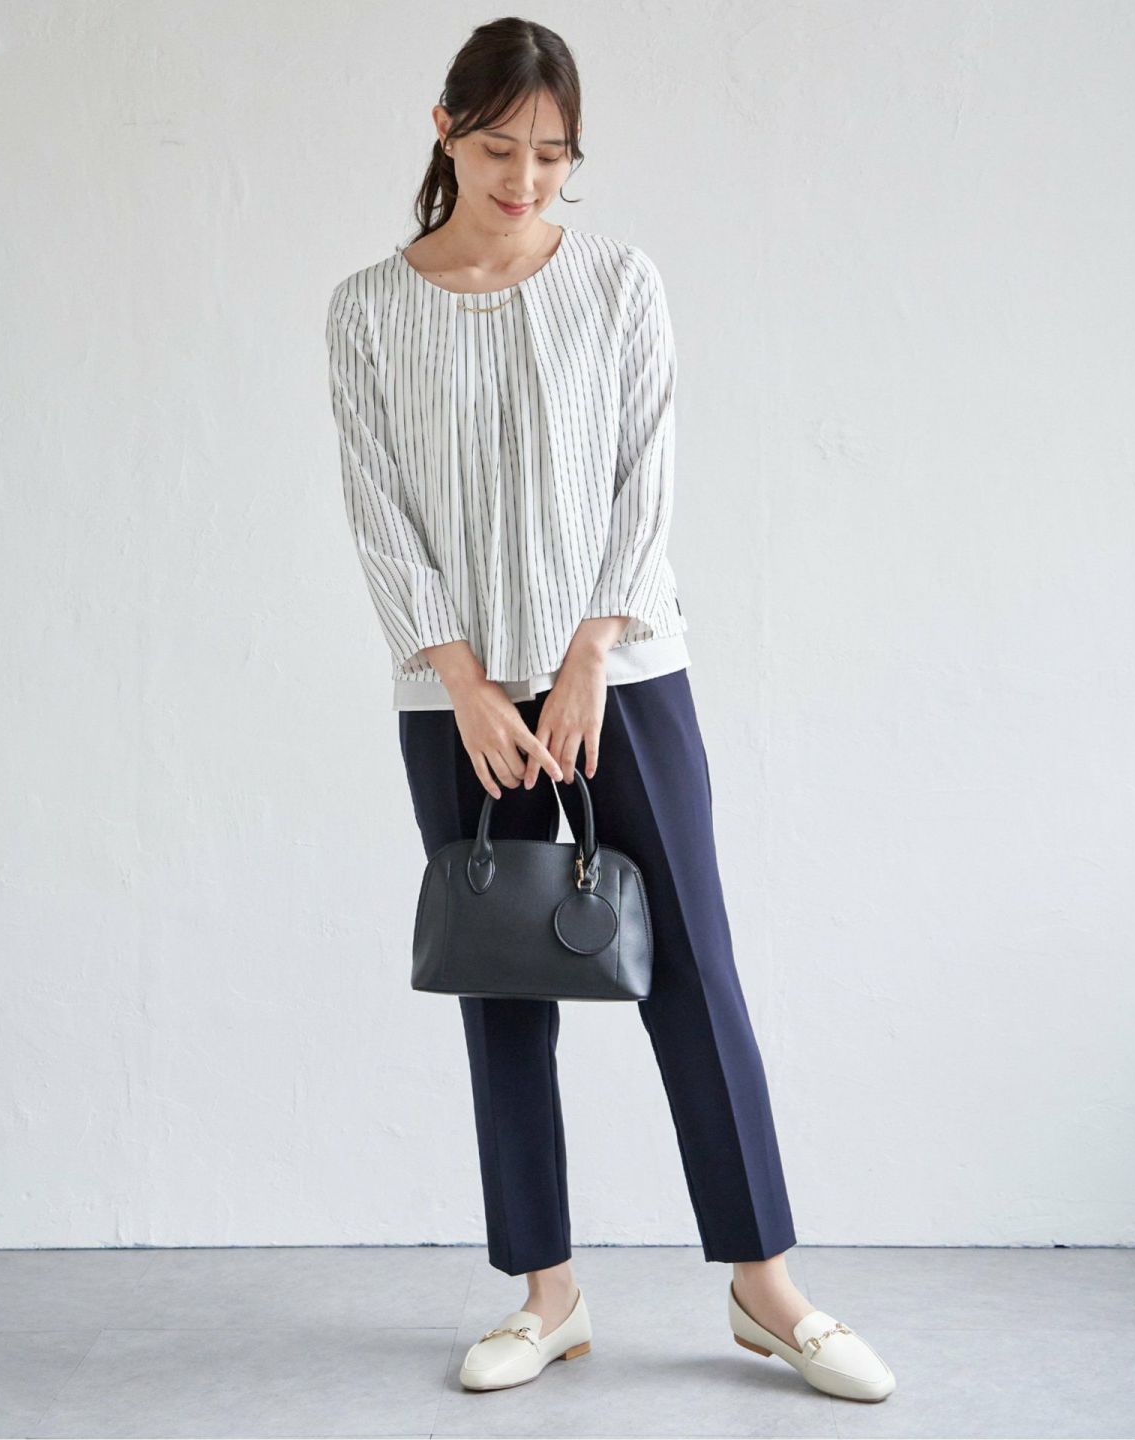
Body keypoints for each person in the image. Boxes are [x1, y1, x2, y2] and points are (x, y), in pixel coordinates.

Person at [324, 16, 895, 1405]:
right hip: (456, 703)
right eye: (500, 149)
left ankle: (766, 1288)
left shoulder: (620, 284)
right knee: (503, 983)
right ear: (446, 130)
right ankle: (547, 1295)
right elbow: (378, 508)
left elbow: (649, 476)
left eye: (554, 154)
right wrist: (463, 681)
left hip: (623, 677)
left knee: (692, 967)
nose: (527, 180)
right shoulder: (368, 309)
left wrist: (587, 654)